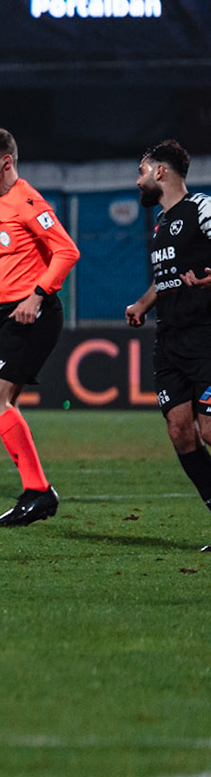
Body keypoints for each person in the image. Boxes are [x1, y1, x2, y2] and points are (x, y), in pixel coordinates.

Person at [0, 128, 80, 527]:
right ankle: (34, 492)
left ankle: (38, 491)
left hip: (33, 313)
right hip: (9, 312)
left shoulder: (28, 201)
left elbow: (67, 251)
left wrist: (36, 296)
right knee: (4, 404)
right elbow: (5, 264)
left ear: (6, 162)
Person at [123, 140, 211, 550]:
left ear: (160, 172)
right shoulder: (160, 223)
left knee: (208, 429)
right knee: (180, 432)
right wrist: (142, 304)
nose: (137, 181)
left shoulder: (202, 209)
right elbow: (168, 277)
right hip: (170, 340)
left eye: (141, 172)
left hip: (205, 337)